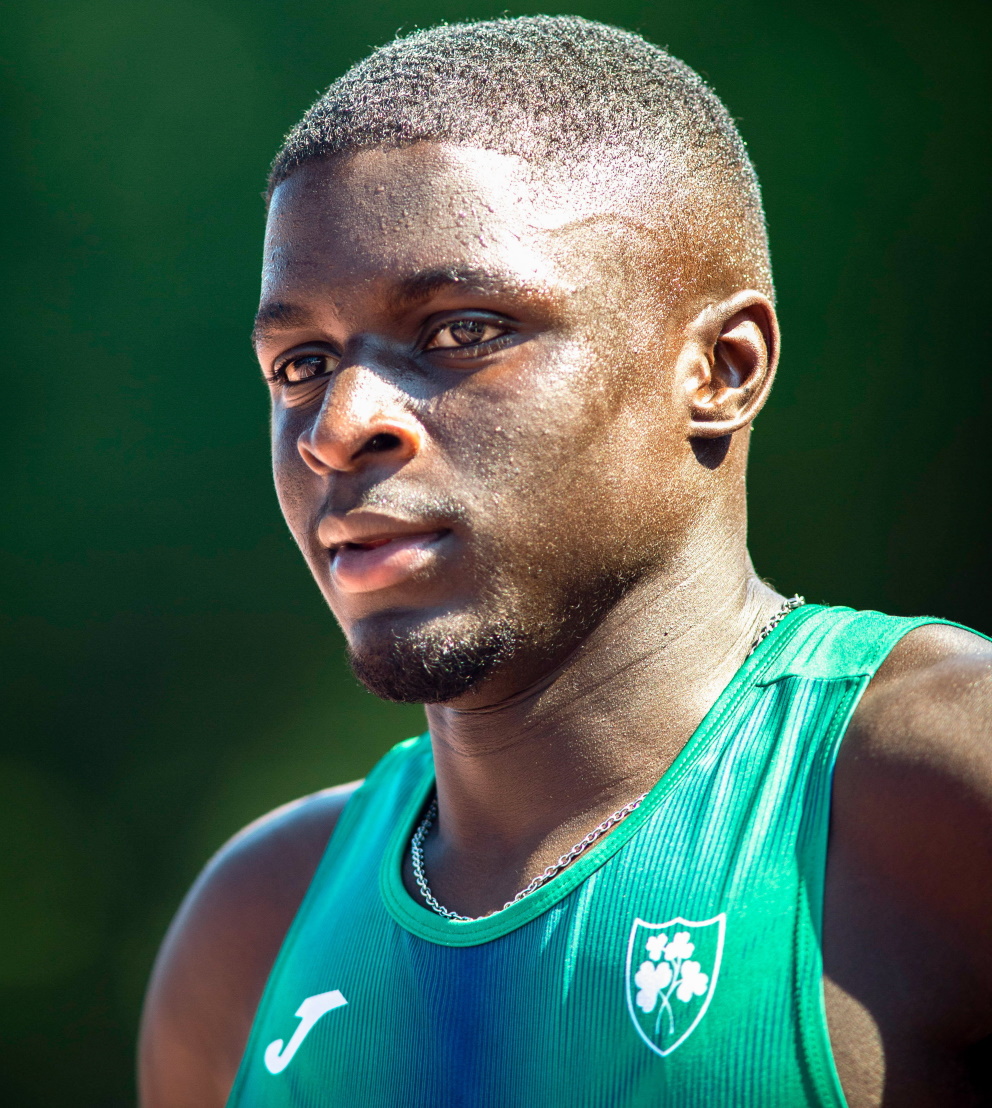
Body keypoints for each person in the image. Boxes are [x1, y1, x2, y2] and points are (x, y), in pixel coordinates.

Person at [138, 16, 992, 1108]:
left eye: (462, 330)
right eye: (300, 363)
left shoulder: (935, 791)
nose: (337, 425)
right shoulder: (252, 930)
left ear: (718, 370)